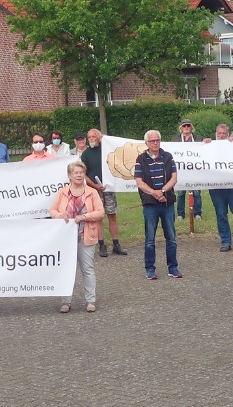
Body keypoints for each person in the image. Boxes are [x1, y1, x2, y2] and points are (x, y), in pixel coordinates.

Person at [49, 161, 103, 313]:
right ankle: (66, 301)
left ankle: (90, 300)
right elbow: (52, 210)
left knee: (88, 269)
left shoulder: (92, 192)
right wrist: (60, 215)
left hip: (86, 235)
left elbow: (100, 212)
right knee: (67, 269)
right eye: (76, 173)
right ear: (70, 175)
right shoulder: (62, 192)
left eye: (81, 172)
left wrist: (84, 216)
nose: (79, 175)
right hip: (66, 238)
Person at [134, 130, 181, 280]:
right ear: (146, 143)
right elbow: (139, 182)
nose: (155, 143)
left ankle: (172, 267)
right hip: (150, 204)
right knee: (149, 239)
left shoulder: (168, 157)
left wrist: (162, 191)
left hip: (167, 202)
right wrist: (154, 193)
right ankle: (150, 268)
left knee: (171, 238)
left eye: (158, 140)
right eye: (152, 141)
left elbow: (174, 178)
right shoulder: (140, 159)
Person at [81, 128, 128, 257]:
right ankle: (101, 244)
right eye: (89, 137)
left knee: (112, 215)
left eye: (93, 137)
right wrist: (94, 185)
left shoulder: (107, 150)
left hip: (108, 188)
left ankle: (116, 244)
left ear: (99, 137)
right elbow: (83, 174)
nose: (91, 139)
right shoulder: (85, 154)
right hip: (95, 190)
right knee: (98, 217)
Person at [206, 124, 233, 253]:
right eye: (219, 133)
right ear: (216, 133)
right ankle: (226, 241)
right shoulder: (210, 146)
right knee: (221, 214)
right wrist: (204, 144)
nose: (221, 136)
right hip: (216, 186)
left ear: (228, 134)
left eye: (223, 134)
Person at [173, 119, 202, 220]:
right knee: (181, 193)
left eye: (188, 126)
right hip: (181, 170)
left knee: (196, 193)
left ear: (191, 127)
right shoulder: (175, 140)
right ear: (181, 128)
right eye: (184, 126)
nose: (186, 128)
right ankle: (180, 214)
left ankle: (197, 213)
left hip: (194, 169)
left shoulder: (198, 139)